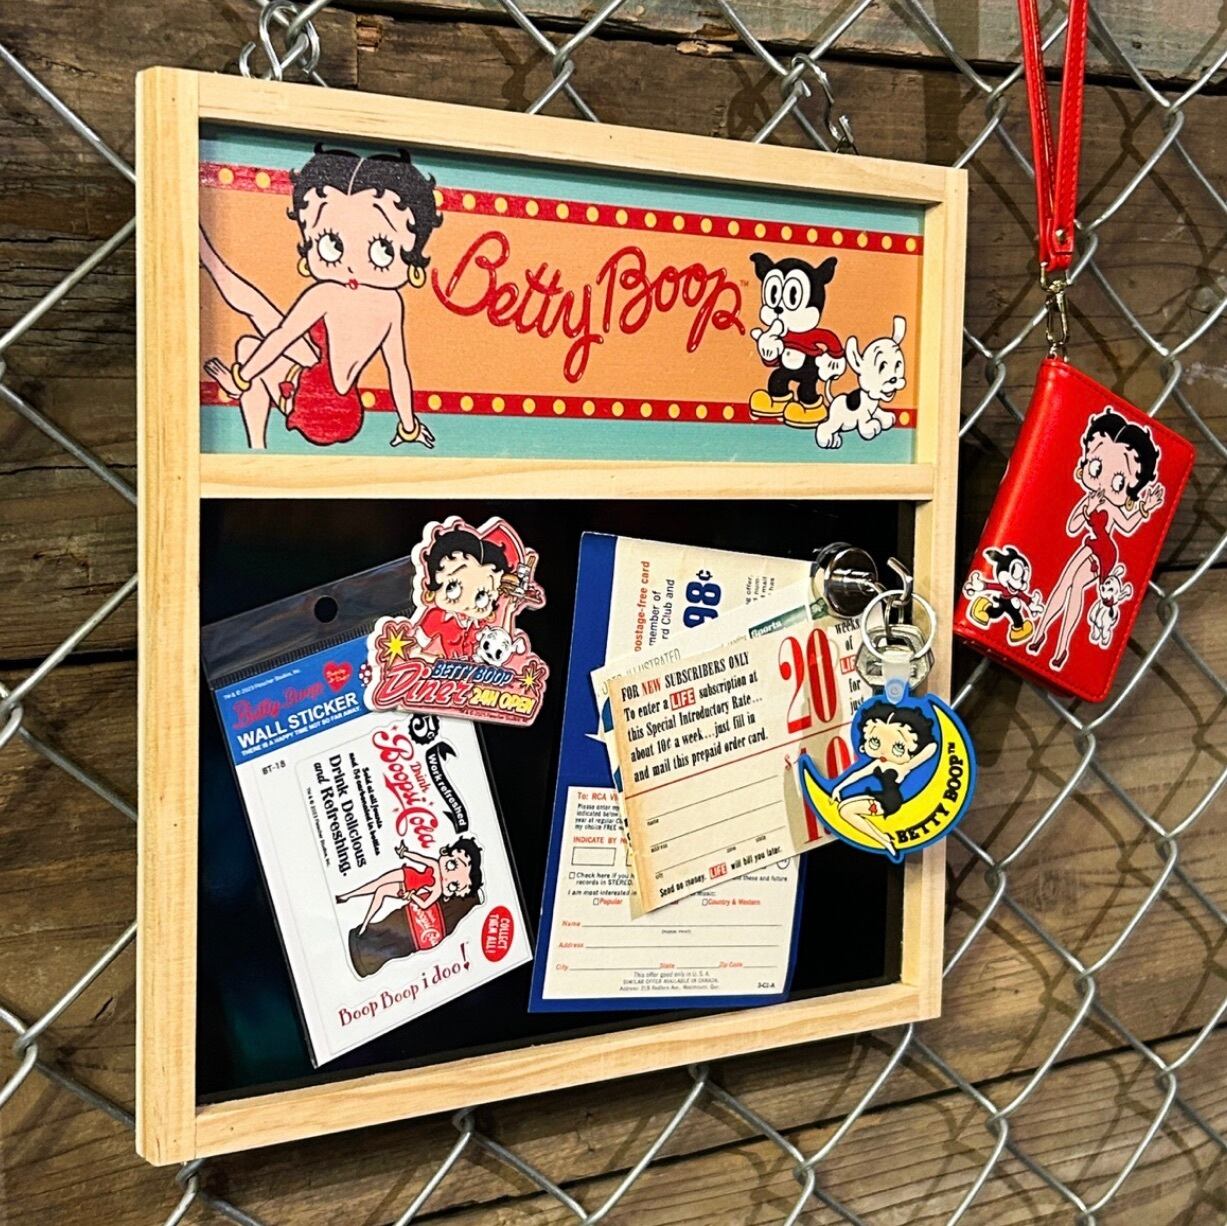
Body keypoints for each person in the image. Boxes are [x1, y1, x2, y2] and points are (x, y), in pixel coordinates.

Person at [201, 146, 443, 449]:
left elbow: (282, 338)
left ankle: (257, 447)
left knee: (250, 345)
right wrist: (409, 426)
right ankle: (208, 257)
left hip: (316, 408)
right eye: (332, 244)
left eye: (382, 248)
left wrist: (240, 379)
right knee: (263, 315)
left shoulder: (327, 293)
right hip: (348, 412)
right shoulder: (391, 303)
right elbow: (398, 369)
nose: (352, 266)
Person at [1027, 410, 1164, 670]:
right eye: (1096, 467)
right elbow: (1072, 526)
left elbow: (1127, 524)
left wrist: (1144, 509)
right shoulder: (1090, 500)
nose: (1104, 482)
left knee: (1076, 587)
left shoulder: (1111, 507)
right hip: (1089, 546)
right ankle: (1039, 633)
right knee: (1063, 584)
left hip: (1104, 553)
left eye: (1119, 482)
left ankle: (1061, 648)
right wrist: (1086, 508)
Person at [829, 701, 938, 857]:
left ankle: (883, 840)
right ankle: (883, 839)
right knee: (843, 807)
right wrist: (838, 788)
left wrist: (907, 765)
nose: (884, 751)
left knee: (846, 811)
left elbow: (932, 747)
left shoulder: (904, 766)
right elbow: (857, 774)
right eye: (875, 742)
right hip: (880, 797)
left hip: (890, 802)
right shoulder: (878, 763)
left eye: (898, 747)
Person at [335, 837, 483, 935]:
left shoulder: (438, 890)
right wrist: (405, 853)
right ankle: (347, 895)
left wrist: (412, 896)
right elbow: (420, 858)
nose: (447, 876)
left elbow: (425, 904)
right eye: (452, 864)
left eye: (453, 885)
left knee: (381, 891)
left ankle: (364, 924)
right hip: (407, 873)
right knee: (378, 882)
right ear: (446, 854)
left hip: (408, 888)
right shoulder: (434, 864)